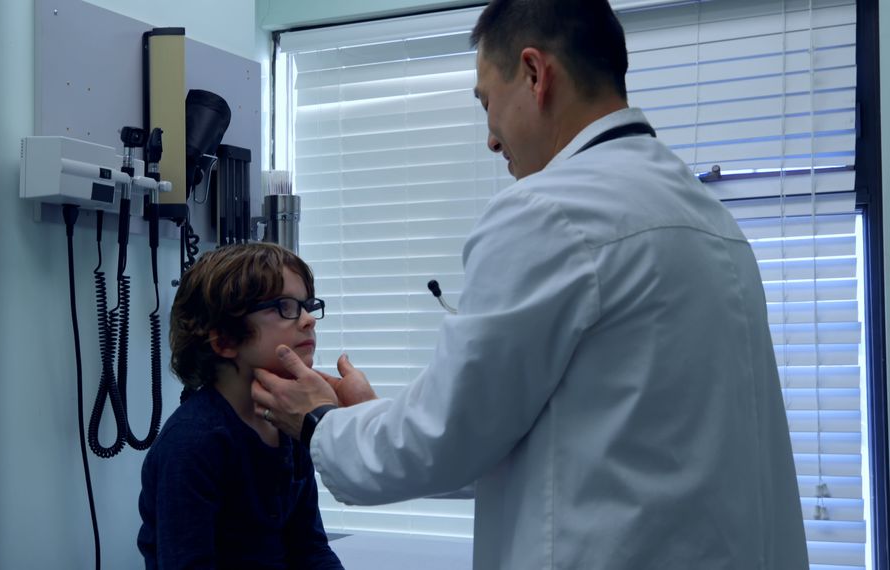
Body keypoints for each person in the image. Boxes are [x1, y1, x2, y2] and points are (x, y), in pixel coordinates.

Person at [250, 0, 809, 568]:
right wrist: (367, 417)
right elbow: (530, 439)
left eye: (487, 101)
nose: (492, 140)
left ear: (536, 75)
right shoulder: (706, 217)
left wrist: (321, 423)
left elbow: (443, 439)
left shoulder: (549, 212)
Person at [136, 243, 343, 569]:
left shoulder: (291, 423)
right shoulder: (193, 443)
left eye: (306, 305)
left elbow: (310, 549)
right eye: (284, 306)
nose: (307, 320)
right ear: (225, 340)